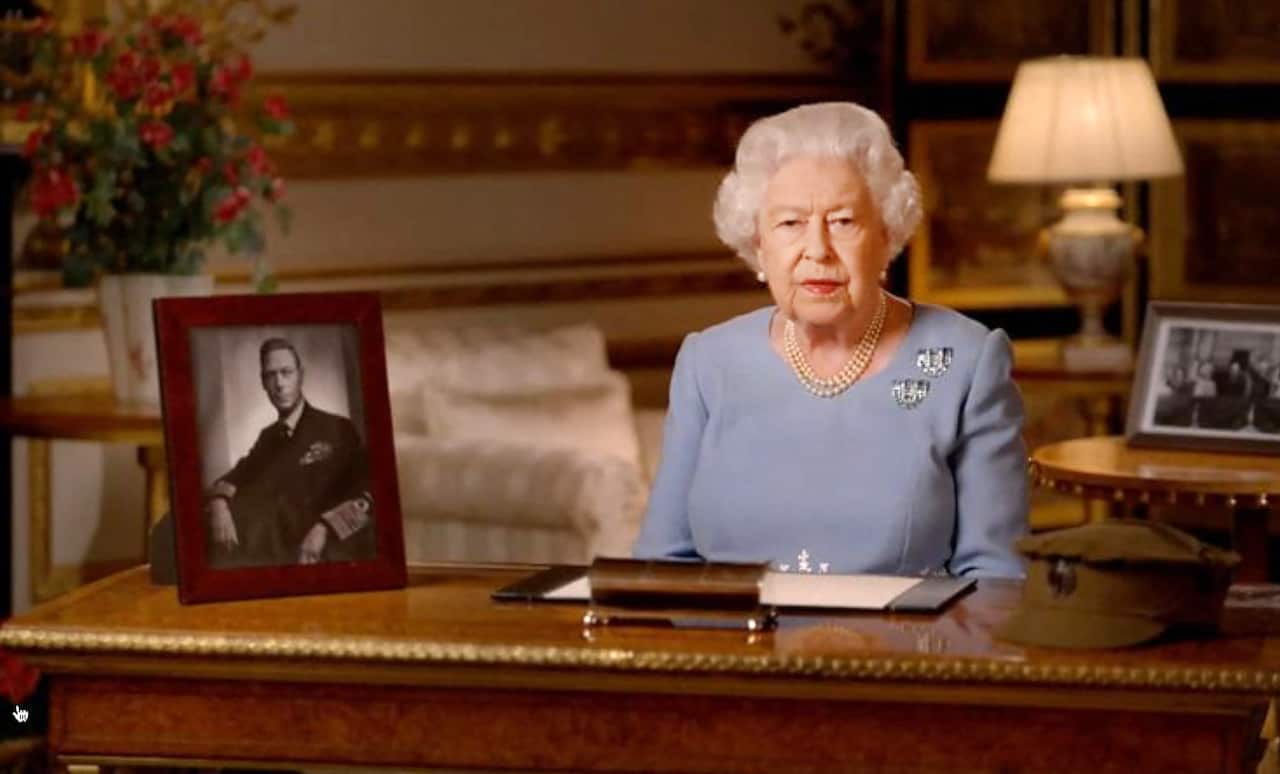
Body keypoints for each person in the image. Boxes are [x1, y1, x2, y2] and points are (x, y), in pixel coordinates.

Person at [633, 102, 1027, 578]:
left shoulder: (960, 361)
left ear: (886, 236)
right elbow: (661, 566)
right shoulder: (709, 363)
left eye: (842, 221)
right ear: (758, 244)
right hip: (733, 647)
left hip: (902, 650)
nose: (817, 250)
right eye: (790, 224)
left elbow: (996, 580)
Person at [205, 337, 376, 568]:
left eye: (286, 372)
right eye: (271, 375)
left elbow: (368, 492)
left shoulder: (337, 428)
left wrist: (324, 528)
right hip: (267, 556)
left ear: (300, 375)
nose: (280, 384)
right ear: (263, 382)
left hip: (320, 555)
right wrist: (218, 504)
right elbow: (236, 475)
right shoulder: (268, 437)